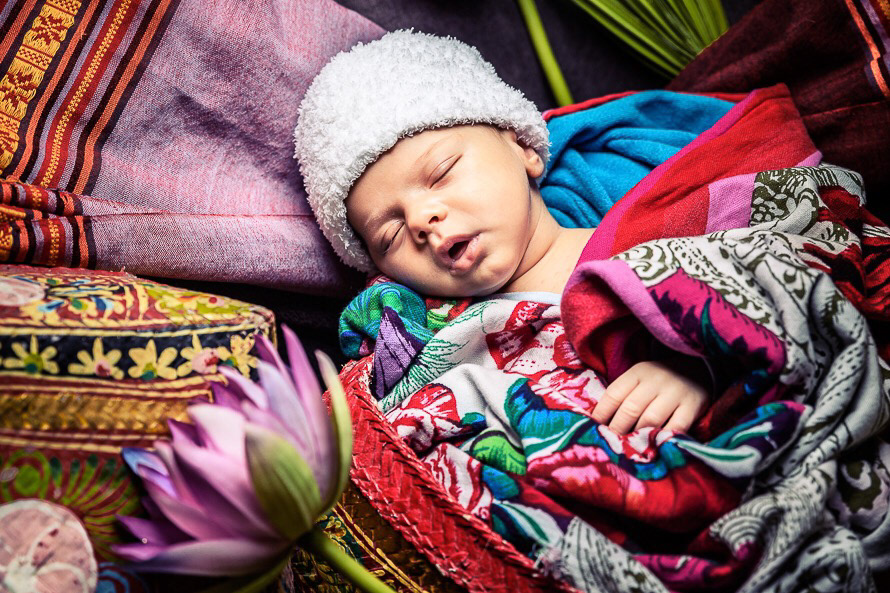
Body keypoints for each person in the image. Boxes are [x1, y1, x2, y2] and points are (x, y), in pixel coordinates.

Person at [293, 30, 708, 436]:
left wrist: (695, 367)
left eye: (441, 172)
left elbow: (738, 281)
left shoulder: (653, 241)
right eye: (391, 234)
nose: (420, 219)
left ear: (523, 149)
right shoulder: (422, 337)